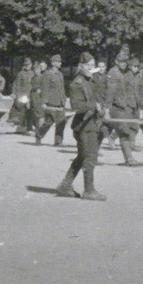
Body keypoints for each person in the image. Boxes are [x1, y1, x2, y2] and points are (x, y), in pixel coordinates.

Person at [55, 52, 106, 201]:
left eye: (92, 65)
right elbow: (77, 106)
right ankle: (89, 191)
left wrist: (100, 107)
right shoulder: (76, 83)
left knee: (83, 155)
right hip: (83, 125)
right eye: (88, 65)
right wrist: (94, 106)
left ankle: (65, 185)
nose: (91, 68)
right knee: (90, 156)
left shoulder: (90, 80)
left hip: (92, 123)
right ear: (81, 66)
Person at [106, 49, 139, 165]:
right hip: (116, 107)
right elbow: (110, 92)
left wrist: (134, 106)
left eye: (126, 62)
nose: (124, 64)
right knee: (124, 132)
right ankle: (129, 158)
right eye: (121, 62)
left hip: (128, 107)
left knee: (129, 130)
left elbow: (132, 90)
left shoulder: (128, 73)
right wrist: (107, 109)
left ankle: (106, 140)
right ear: (116, 61)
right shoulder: (113, 72)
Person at [35, 54, 67, 146]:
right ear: (53, 63)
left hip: (60, 102)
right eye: (58, 62)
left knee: (61, 122)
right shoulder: (47, 74)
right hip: (51, 102)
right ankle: (39, 135)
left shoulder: (60, 74)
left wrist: (64, 100)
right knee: (49, 122)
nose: (60, 63)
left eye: (60, 61)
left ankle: (58, 142)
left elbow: (62, 89)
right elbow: (45, 88)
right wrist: (44, 102)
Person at [11, 58, 35, 134]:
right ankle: (22, 127)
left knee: (30, 111)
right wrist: (15, 94)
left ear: (31, 65)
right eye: (26, 65)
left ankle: (29, 127)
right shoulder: (21, 73)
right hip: (23, 94)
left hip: (31, 94)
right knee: (23, 111)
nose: (27, 66)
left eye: (29, 65)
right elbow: (17, 84)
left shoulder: (33, 73)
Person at [28, 60, 46, 138]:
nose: (36, 71)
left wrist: (41, 91)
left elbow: (45, 88)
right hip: (33, 97)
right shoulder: (33, 78)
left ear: (40, 70)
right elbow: (30, 88)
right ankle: (36, 129)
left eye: (37, 69)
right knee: (34, 114)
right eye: (35, 70)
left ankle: (40, 131)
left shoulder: (42, 78)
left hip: (39, 98)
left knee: (40, 115)